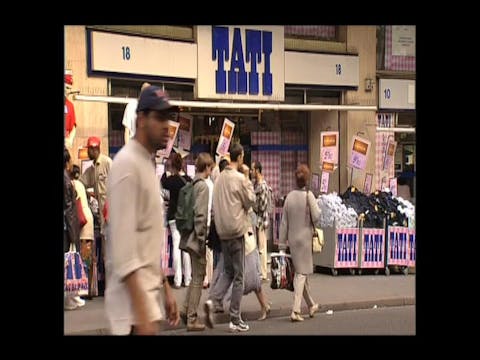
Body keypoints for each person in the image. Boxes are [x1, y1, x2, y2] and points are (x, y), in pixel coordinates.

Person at [106, 85, 180, 335]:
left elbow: (146, 242)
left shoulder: (146, 163)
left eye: (168, 118)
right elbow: (125, 253)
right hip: (131, 315)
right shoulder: (127, 165)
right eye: (159, 118)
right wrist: (143, 318)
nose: (166, 126)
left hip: (145, 305)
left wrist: (166, 290)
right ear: (141, 120)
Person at [204, 143, 255, 332]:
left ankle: (213, 300)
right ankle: (235, 317)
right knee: (239, 275)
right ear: (240, 157)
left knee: (228, 271)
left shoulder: (218, 179)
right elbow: (250, 200)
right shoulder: (239, 178)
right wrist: (248, 177)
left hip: (222, 231)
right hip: (236, 230)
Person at [279, 164, 321, 322]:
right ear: (307, 179)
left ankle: (311, 305)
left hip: (292, 239)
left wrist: (282, 244)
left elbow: (284, 223)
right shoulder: (309, 195)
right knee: (301, 274)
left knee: (300, 273)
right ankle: (295, 310)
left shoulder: (289, 197)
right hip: (305, 240)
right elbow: (317, 216)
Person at [179, 153, 213, 331]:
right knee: (199, 277)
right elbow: (201, 215)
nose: (211, 171)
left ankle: (185, 310)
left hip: (188, 235)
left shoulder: (191, 184)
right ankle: (192, 318)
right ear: (207, 167)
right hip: (196, 238)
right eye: (210, 168)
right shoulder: (204, 187)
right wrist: (202, 239)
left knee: (194, 276)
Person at [161, 152, 193, 288]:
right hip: (185, 217)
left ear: (173, 166)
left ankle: (178, 279)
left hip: (174, 217)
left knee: (176, 247)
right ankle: (188, 278)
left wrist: (164, 169)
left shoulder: (171, 181)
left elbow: (162, 181)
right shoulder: (189, 180)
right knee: (186, 248)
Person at [80, 136, 112, 266]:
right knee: (106, 255)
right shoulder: (92, 169)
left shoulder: (107, 163)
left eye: (89, 149)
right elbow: (81, 183)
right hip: (103, 217)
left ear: (95, 149)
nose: (87, 152)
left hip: (111, 215)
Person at [71, 165, 97, 299]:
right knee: (88, 255)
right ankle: (89, 289)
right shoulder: (80, 184)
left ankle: (84, 289)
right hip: (88, 219)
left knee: (84, 255)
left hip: (82, 222)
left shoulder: (73, 184)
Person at [64, 147, 81, 310]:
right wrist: (72, 232)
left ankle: (70, 298)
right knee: (68, 261)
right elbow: (69, 208)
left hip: (66, 225)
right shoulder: (66, 180)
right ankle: (68, 299)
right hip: (66, 226)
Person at [251, 161, 270, 281]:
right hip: (257, 219)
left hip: (261, 219)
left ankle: (263, 273)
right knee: (259, 247)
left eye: (253, 170)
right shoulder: (256, 184)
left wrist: (253, 206)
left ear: (257, 170)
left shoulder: (262, 186)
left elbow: (262, 206)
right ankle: (260, 271)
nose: (252, 172)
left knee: (262, 247)